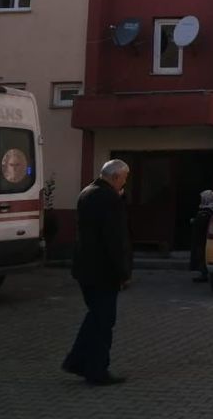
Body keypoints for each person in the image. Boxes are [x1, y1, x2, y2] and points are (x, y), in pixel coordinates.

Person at [63, 159, 133, 386]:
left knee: (95, 317)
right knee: (103, 321)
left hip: (85, 268)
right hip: (104, 271)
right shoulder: (110, 199)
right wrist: (123, 272)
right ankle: (96, 370)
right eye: (124, 178)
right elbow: (115, 240)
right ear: (115, 177)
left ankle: (77, 361)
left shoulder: (86, 193)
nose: (125, 183)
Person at [190, 190, 213, 283]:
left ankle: (204, 274)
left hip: (202, 239)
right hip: (204, 238)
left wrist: (195, 221)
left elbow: (202, 224)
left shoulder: (206, 212)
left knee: (202, 255)